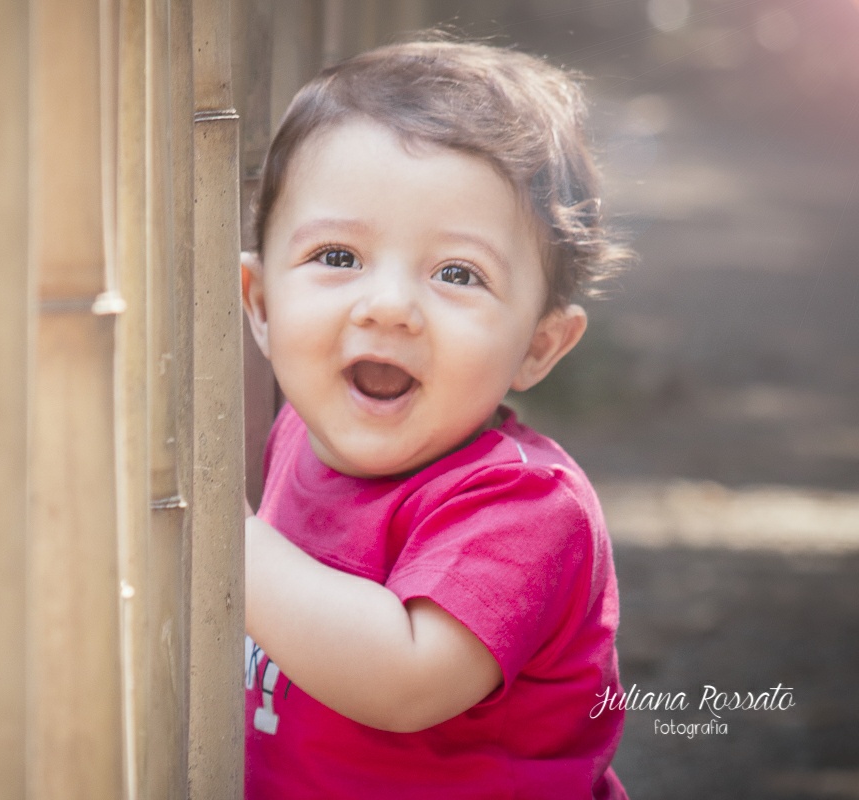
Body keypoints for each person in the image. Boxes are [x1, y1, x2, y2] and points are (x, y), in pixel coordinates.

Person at [241, 39, 633, 799]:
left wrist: (225, 544)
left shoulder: (525, 509)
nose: (388, 305)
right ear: (260, 303)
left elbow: (405, 680)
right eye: (338, 255)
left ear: (539, 345)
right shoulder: (297, 433)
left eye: (458, 273)